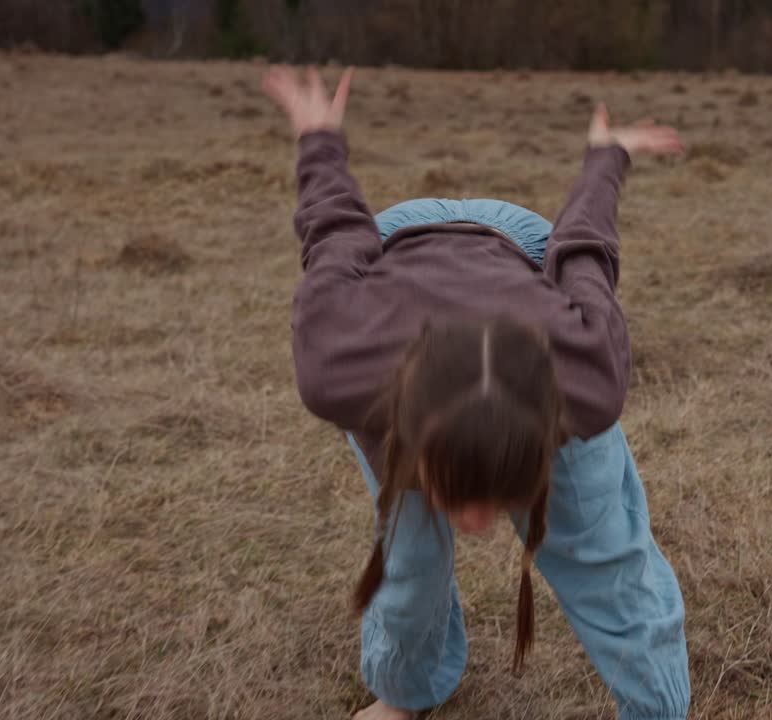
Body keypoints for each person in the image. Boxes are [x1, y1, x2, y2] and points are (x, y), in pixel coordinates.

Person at [263, 66, 691, 720]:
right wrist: (319, 139)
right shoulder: (341, 366)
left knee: (602, 551)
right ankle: (405, 694)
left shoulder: (586, 379)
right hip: (395, 253)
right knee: (412, 560)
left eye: (501, 497)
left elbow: (582, 253)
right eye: (461, 496)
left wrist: (609, 157)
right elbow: (335, 239)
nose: (480, 527)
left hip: (522, 253)